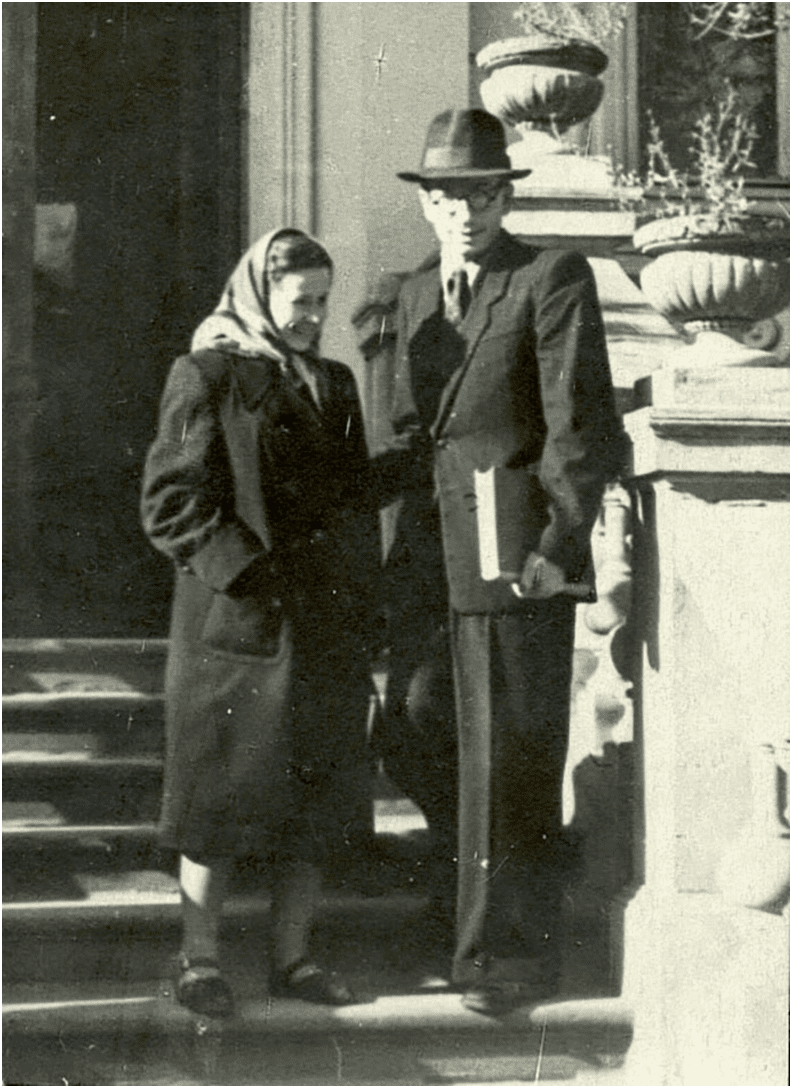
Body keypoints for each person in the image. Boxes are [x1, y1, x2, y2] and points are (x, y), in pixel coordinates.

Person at [373, 109, 624, 1013]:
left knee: (508, 753)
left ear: (504, 197)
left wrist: (559, 545)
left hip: (516, 557)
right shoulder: (411, 295)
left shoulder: (549, 276)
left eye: (481, 195)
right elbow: (406, 435)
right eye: (448, 197)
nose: (465, 213)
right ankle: (467, 900)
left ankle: (507, 955)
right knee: (412, 726)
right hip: (427, 560)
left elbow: (578, 423)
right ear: (427, 204)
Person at [141, 228, 407, 1017]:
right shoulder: (207, 374)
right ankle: (199, 960)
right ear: (260, 294)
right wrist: (250, 574)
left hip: (322, 624)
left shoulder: (334, 383)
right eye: (299, 302)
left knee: (315, 802)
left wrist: (411, 465)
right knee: (217, 801)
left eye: (323, 301)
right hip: (238, 627)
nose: (312, 317)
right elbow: (170, 501)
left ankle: (294, 959)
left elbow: (347, 497)